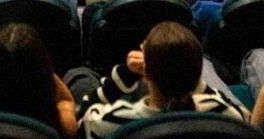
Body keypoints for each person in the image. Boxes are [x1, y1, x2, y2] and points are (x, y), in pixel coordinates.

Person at [79, 21, 246, 138]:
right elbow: (246, 118)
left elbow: (80, 118)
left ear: (146, 73)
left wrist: (125, 74)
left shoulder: (113, 121)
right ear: (198, 75)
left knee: (80, 75)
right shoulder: (222, 113)